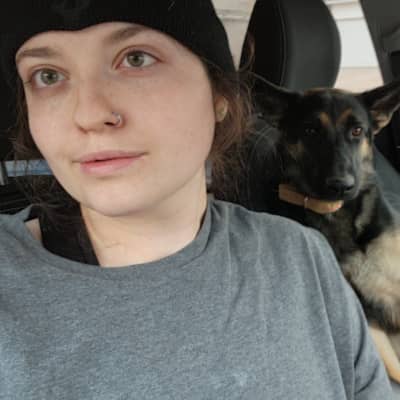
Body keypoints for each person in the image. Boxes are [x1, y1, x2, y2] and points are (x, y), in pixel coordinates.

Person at [0, 1, 393, 398]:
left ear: (220, 95)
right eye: (47, 75)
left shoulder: (301, 254)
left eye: (136, 59)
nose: (87, 114)